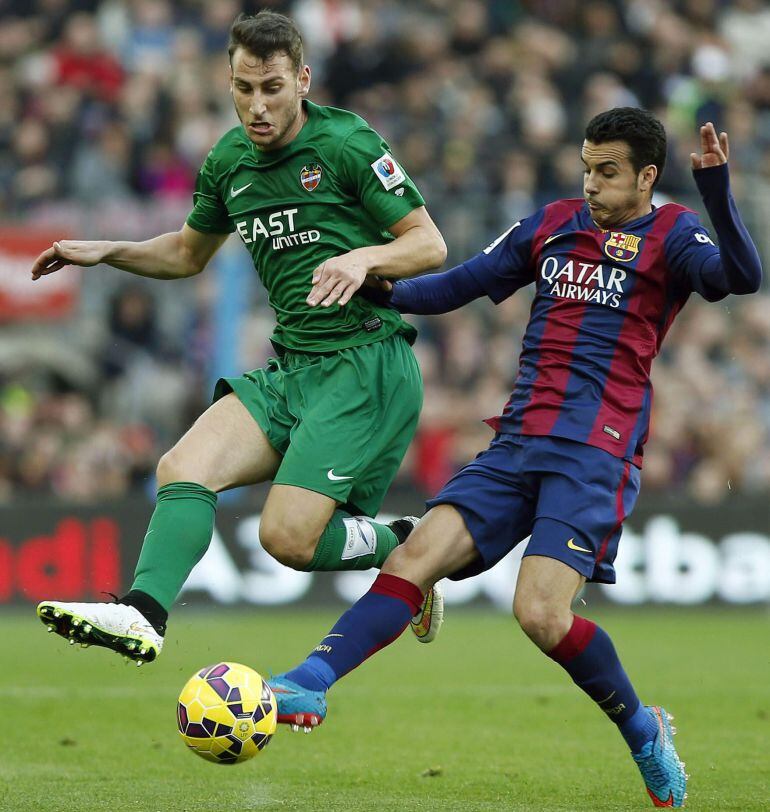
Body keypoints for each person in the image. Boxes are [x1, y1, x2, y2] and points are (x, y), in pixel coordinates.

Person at [266, 110, 762, 805]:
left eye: (609, 171)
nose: (592, 183)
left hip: (596, 452)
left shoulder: (675, 233)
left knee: (540, 615)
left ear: (648, 176)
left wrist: (716, 189)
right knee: (413, 557)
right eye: (587, 167)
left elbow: (740, 279)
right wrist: (375, 283)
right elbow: (461, 283)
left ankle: (645, 731)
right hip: (518, 439)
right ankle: (306, 683)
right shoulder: (552, 222)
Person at [32, 11, 447, 684]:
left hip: (365, 365)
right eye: (243, 87)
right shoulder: (229, 160)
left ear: (302, 80)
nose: (257, 105)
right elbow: (186, 254)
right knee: (182, 466)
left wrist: (365, 259)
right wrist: (108, 252)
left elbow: (429, 243)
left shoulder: (345, 142)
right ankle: (144, 614)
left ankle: (409, 544)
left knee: (285, 539)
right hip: (295, 367)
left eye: (273, 88)